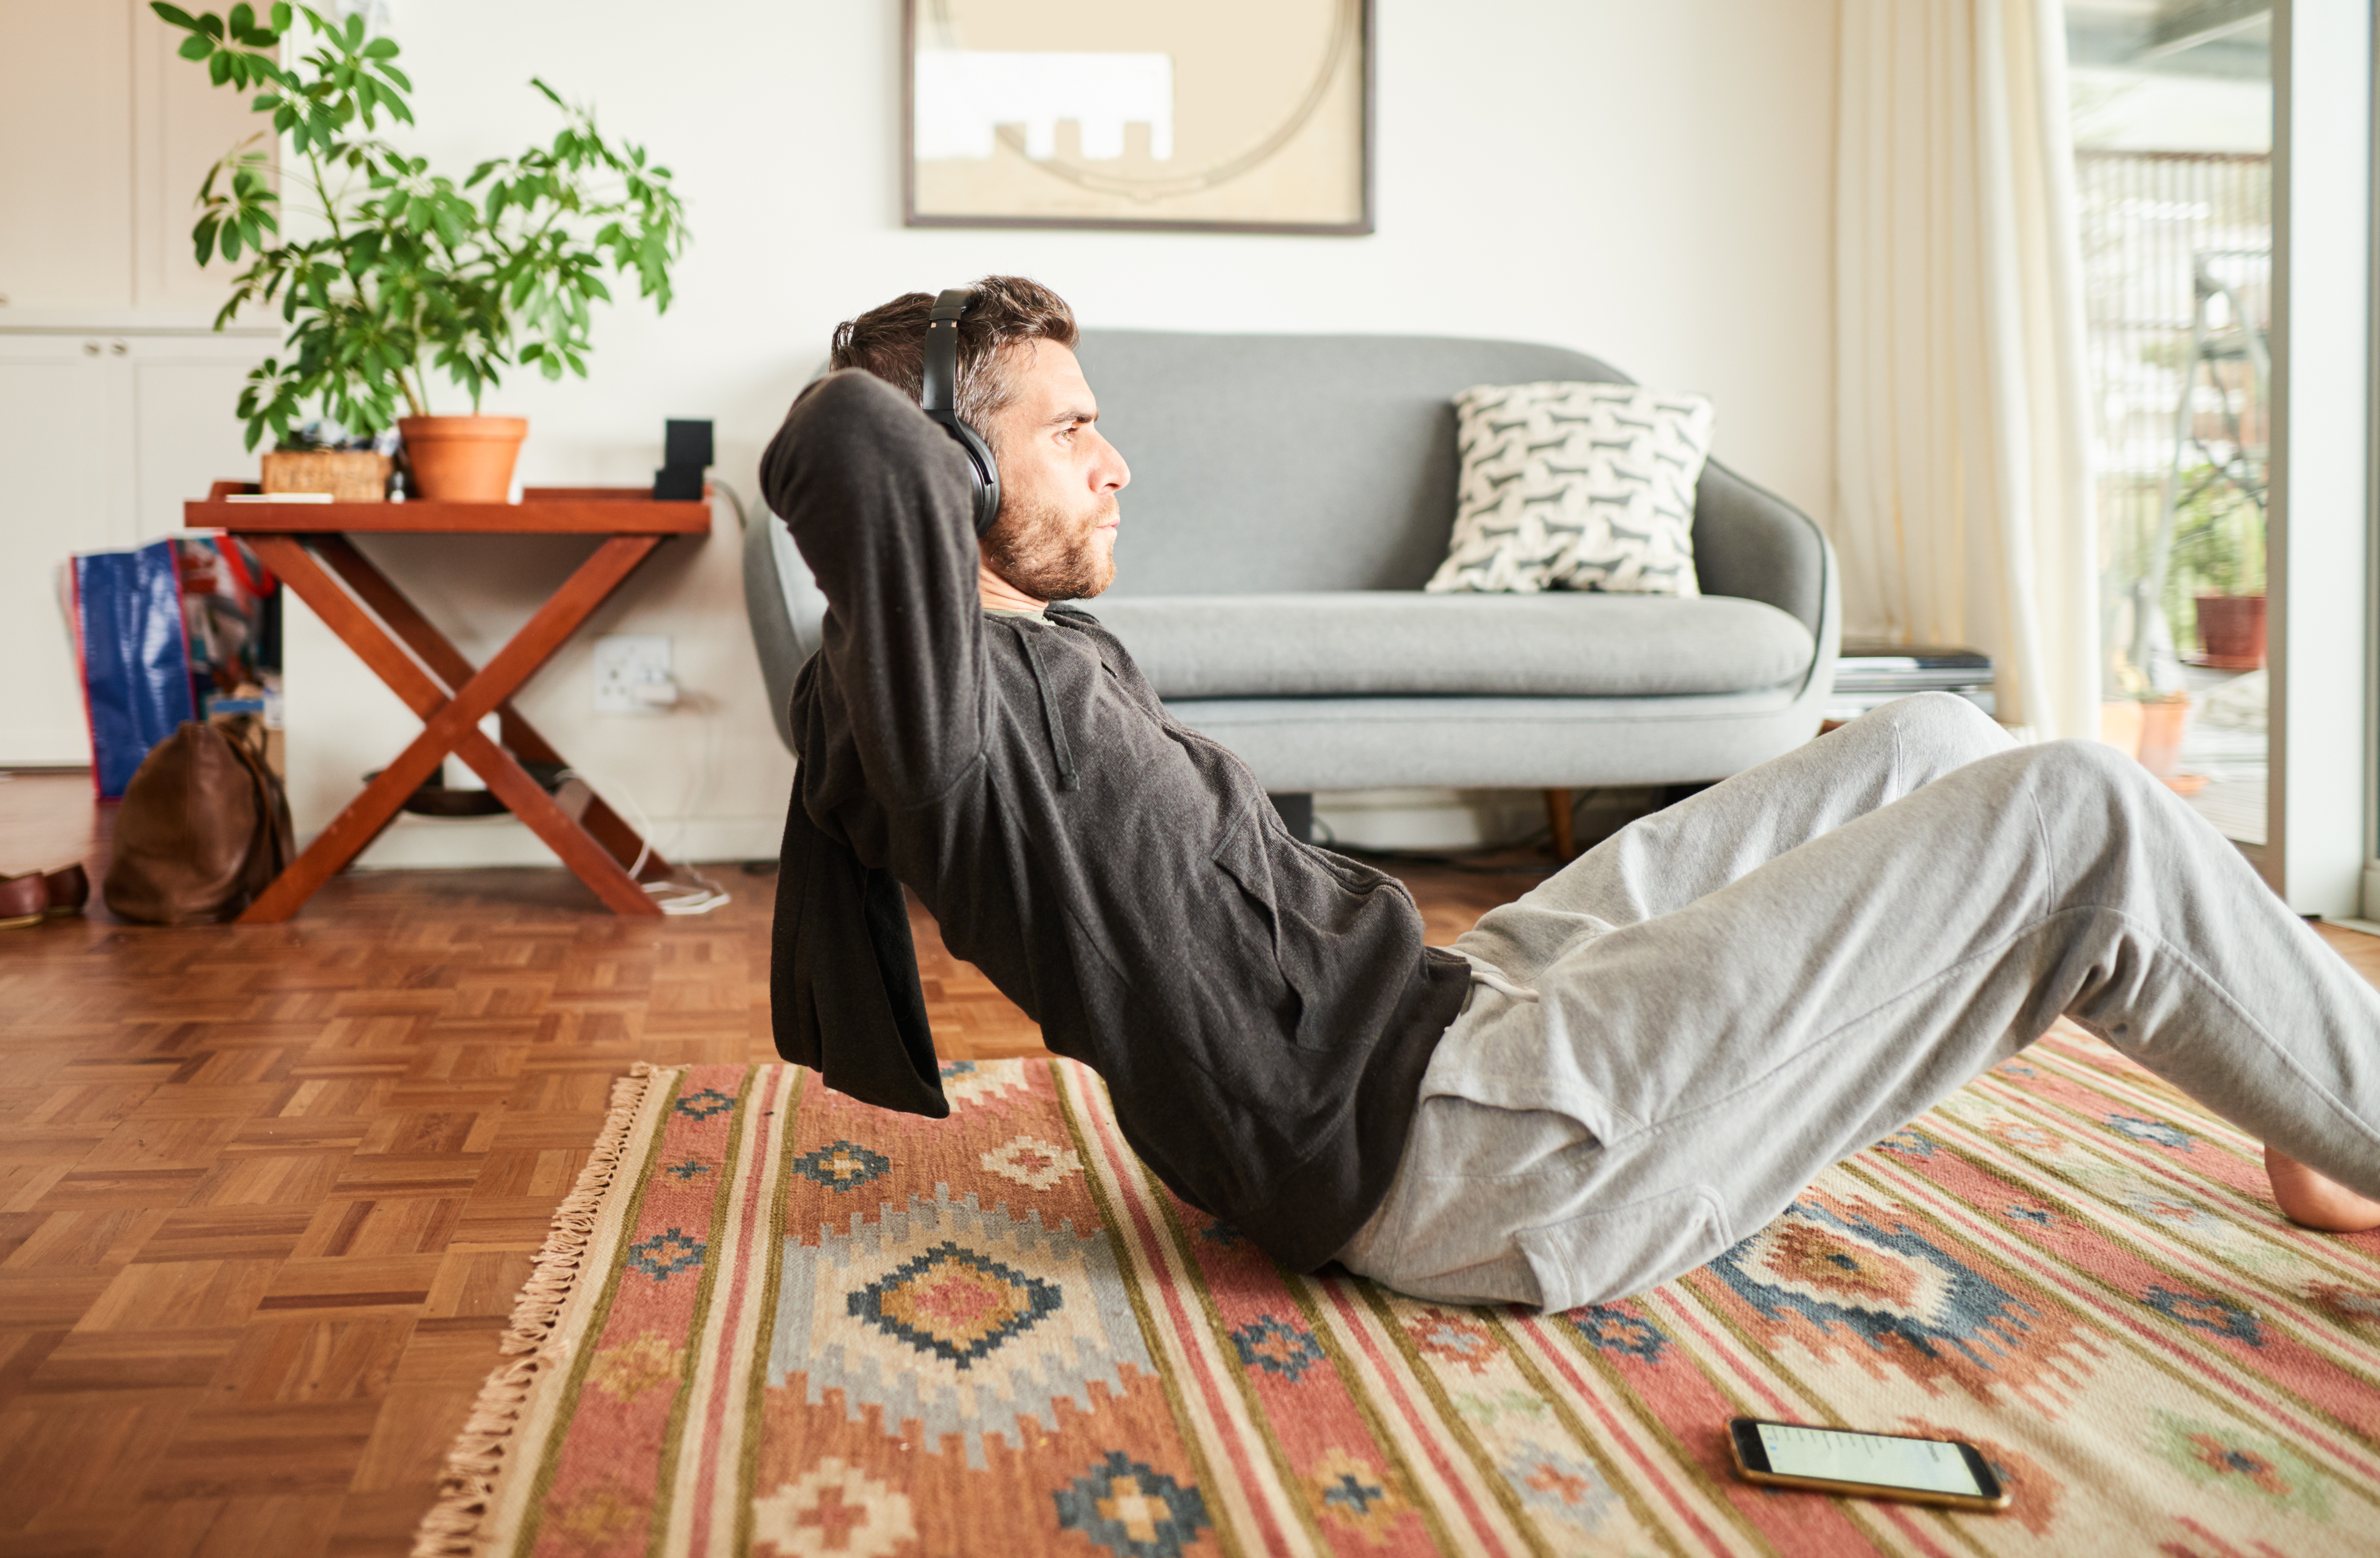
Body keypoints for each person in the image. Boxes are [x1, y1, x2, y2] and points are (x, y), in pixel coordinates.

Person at [760, 275, 2380, 1312]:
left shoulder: (1034, 653)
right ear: (948, 476)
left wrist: (982, 414)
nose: (1118, 464)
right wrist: (911, 399)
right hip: (1458, 1151)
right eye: (1070, 433)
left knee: (1943, 747)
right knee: (2084, 812)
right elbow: (843, 439)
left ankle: (2308, 1106)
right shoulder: (944, 724)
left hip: (1465, 1000)